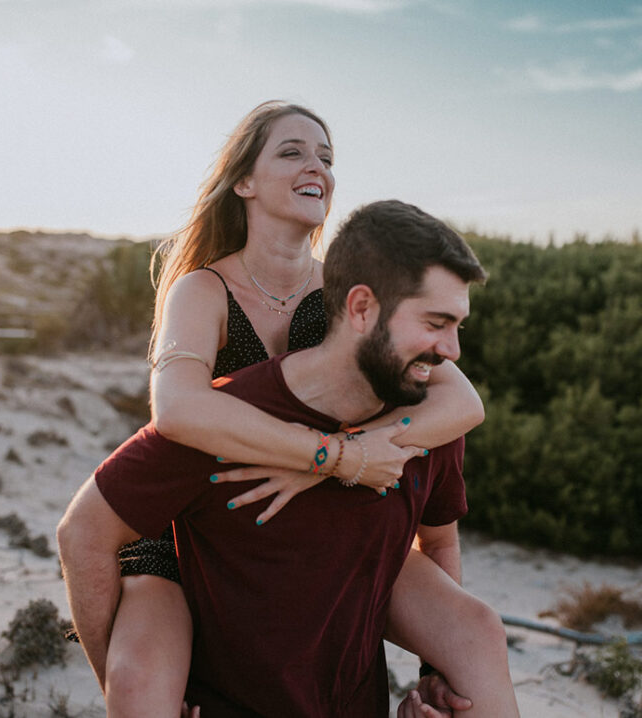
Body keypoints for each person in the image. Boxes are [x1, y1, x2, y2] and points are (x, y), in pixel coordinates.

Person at [71, 101, 518, 716]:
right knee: (136, 677)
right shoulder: (203, 289)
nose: (318, 167)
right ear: (243, 182)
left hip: (318, 515)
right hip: (196, 518)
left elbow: (461, 399)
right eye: (293, 152)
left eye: (327, 158)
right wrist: (330, 456)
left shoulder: (342, 295)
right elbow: (176, 409)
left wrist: (346, 461)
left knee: (473, 630)